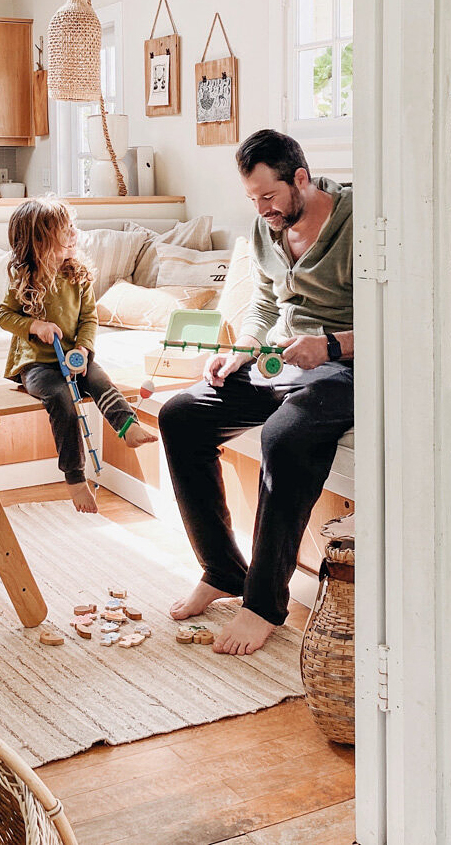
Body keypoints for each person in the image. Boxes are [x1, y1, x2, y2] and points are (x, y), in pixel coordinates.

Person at [159, 130, 354, 655]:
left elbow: (401, 314)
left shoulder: (360, 221)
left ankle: (264, 603)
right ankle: (222, 569)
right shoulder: (267, 228)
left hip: (345, 368)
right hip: (280, 363)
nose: (262, 208)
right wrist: (238, 351)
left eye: (269, 196)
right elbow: (265, 309)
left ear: (301, 179)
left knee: (285, 437)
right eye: (252, 198)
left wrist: (331, 345)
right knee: (181, 414)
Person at [0, 198, 156, 513]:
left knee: (101, 382)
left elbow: (89, 319)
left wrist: (83, 350)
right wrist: (35, 326)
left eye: (72, 226)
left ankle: (127, 427)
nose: (74, 233)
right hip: (37, 364)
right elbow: (5, 316)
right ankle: (74, 478)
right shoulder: (24, 278)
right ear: (41, 240)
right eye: (65, 229)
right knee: (61, 399)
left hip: (74, 357)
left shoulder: (79, 275)